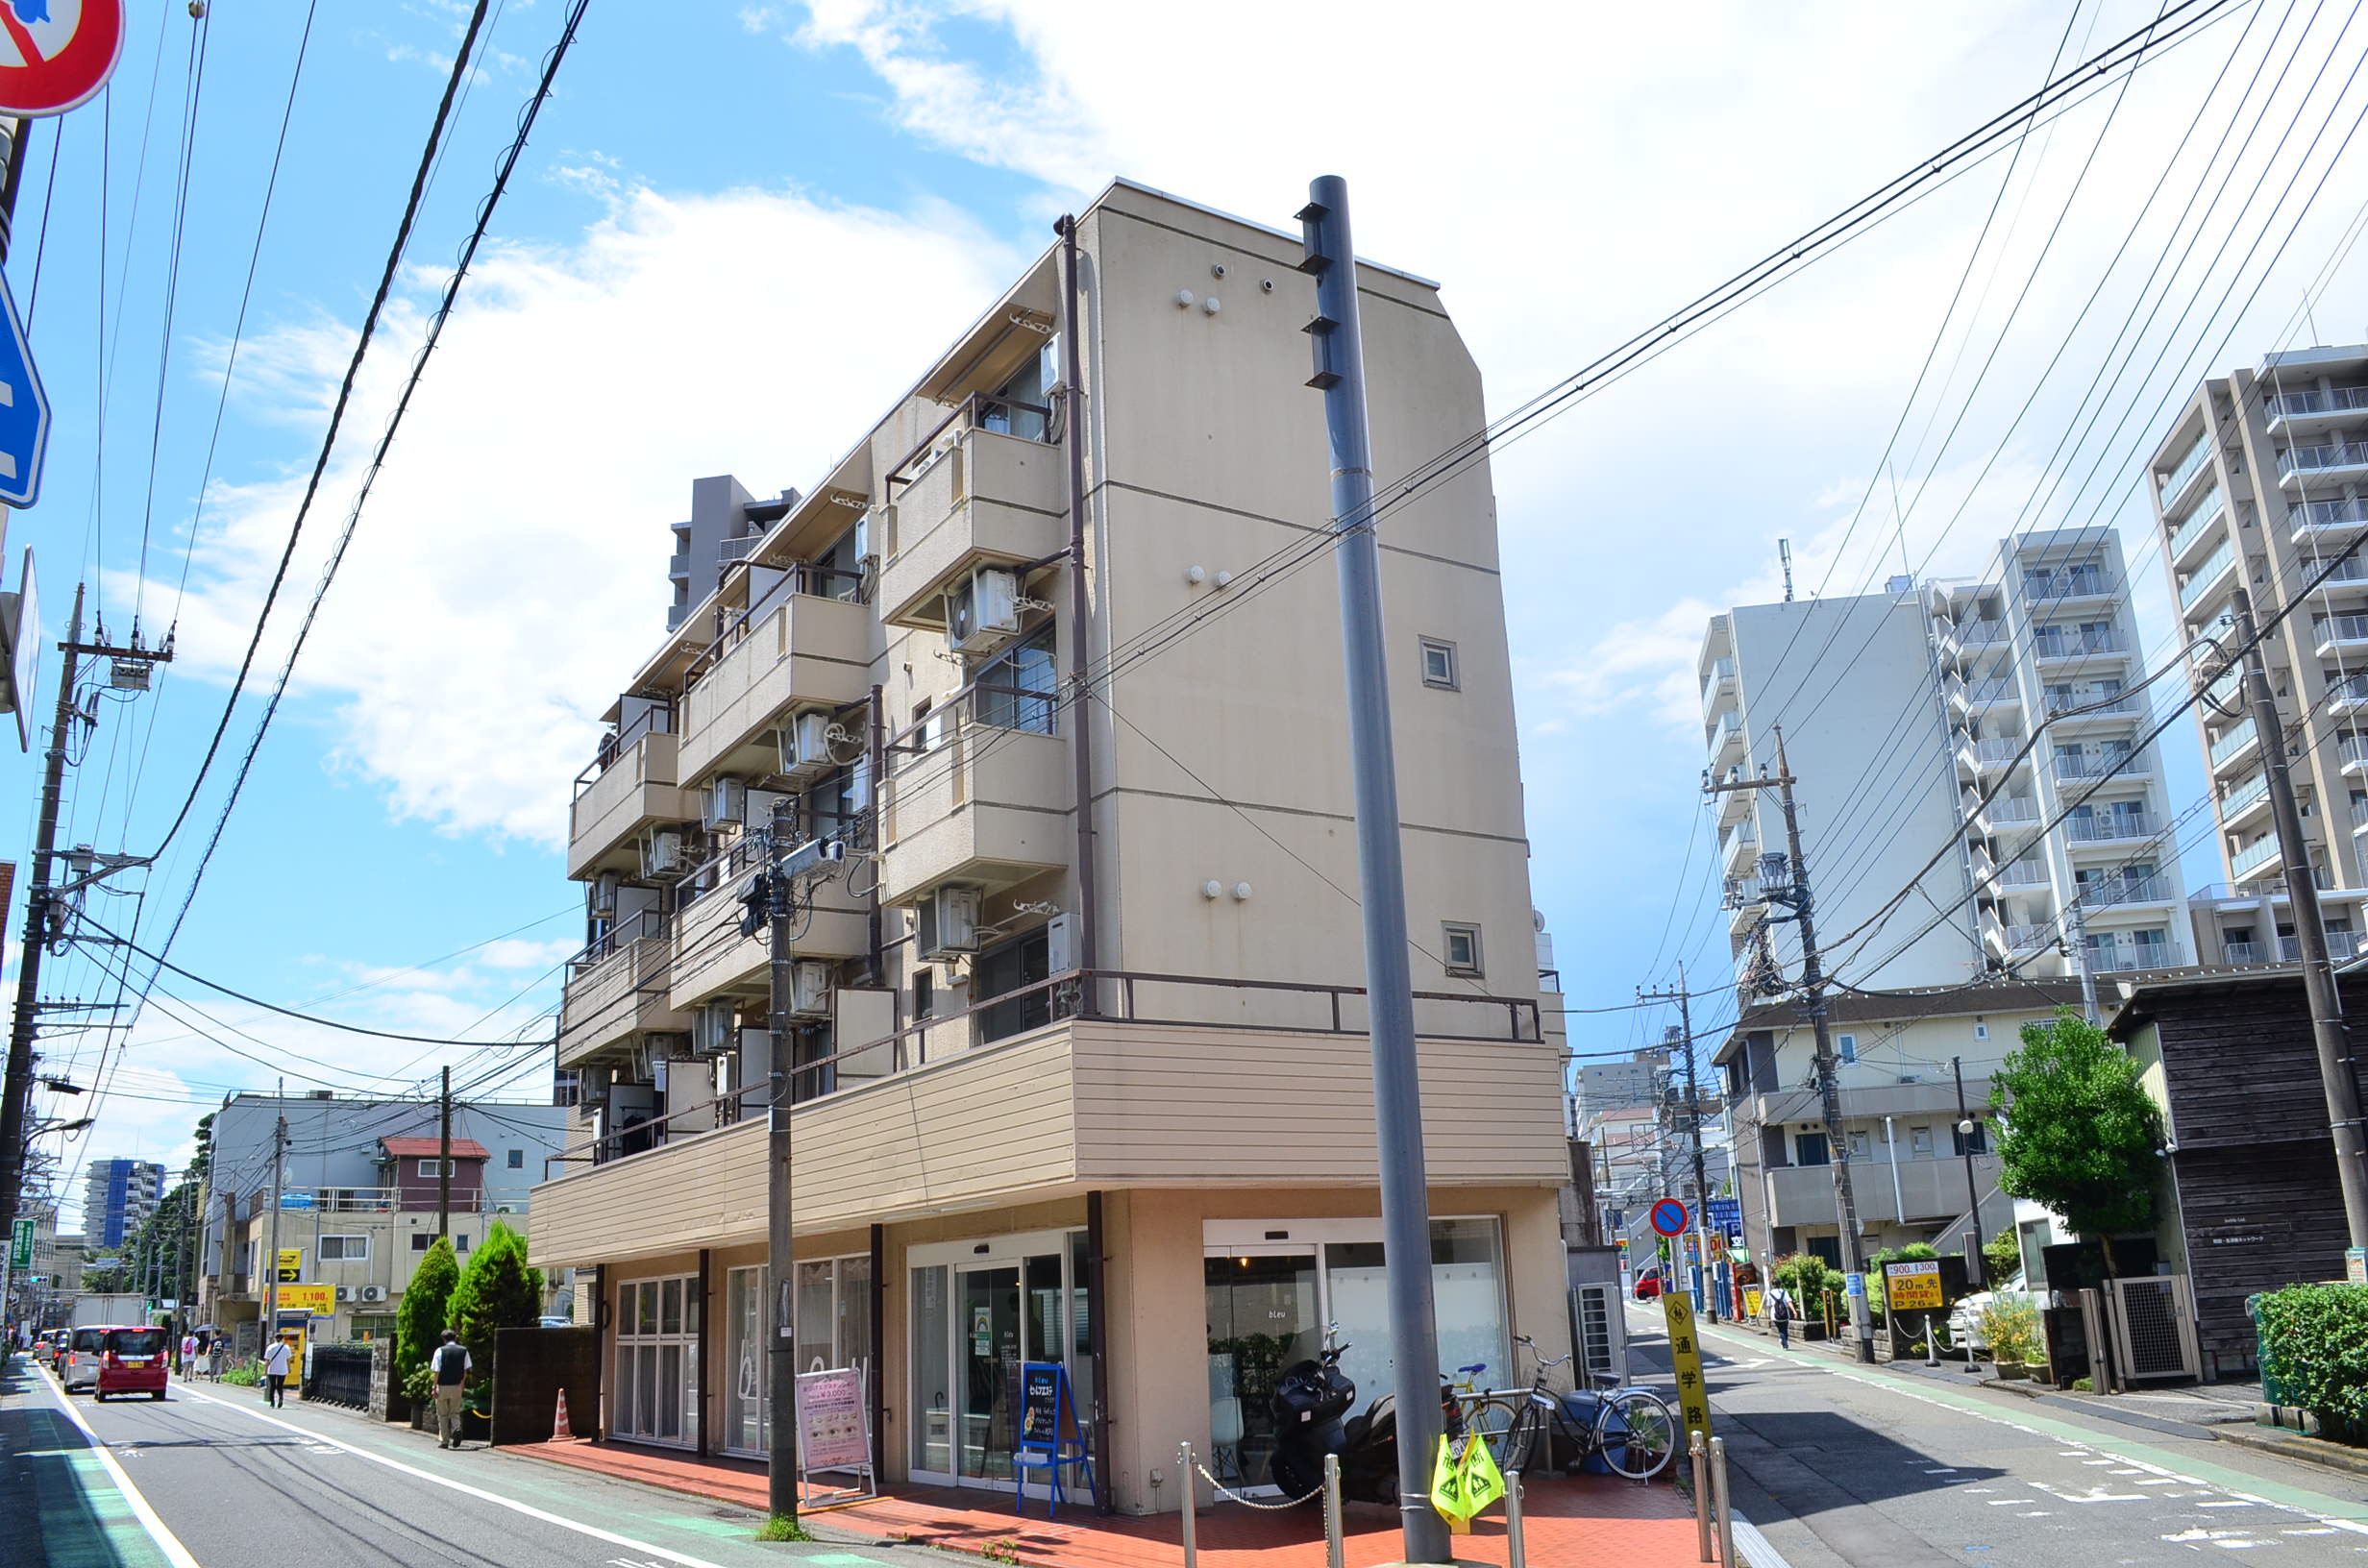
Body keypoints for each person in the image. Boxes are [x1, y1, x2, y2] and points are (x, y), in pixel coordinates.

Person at [431, 1329, 473, 1450]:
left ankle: (444, 1441)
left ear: (443, 1339)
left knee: (443, 1415)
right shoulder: (464, 1351)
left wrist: (434, 1387)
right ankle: (456, 1429)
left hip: (443, 1386)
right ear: (455, 1338)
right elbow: (466, 1370)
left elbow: (436, 1371)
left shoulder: (440, 1351)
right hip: (457, 1386)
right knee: (454, 1412)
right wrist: (462, 1383)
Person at [262, 1332, 294, 1407]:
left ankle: (272, 1402)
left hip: (272, 1369)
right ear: (282, 1339)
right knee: (280, 1386)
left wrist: (265, 1370)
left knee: (272, 1386)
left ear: (275, 1339)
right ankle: (280, 1399)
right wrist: (289, 1368)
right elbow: (288, 1360)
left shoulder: (270, 1347)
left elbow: (267, 1360)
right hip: (282, 1369)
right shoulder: (286, 1347)